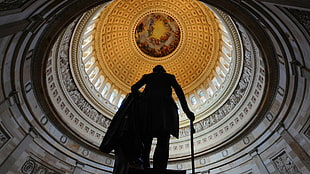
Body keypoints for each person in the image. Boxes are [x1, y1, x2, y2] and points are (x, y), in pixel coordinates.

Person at [131, 65, 195, 171]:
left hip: (148, 109)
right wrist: (187, 111)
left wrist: (142, 98)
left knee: (146, 141)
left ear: (154, 70)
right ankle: (160, 169)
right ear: (163, 71)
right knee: (163, 141)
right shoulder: (169, 77)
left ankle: (144, 166)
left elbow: (134, 88)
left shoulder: (148, 76)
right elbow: (179, 93)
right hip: (165, 110)